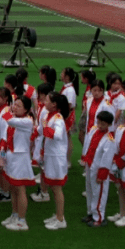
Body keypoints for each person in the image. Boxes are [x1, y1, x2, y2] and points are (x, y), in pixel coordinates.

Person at [2, 96, 35, 231]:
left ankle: (22, 220)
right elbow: (6, 138)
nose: (15, 107)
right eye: (14, 105)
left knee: (20, 189)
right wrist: (2, 156)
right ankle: (15, 215)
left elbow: (7, 118)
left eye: (18, 106)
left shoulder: (27, 121)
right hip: (11, 157)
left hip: (21, 158)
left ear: (26, 109)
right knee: (13, 188)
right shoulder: (16, 121)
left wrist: (7, 109)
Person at [81, 110, 116, 228]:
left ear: (109, 125)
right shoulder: (94, 129)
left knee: (99, 193)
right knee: (90, 190)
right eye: (99, 122)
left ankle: (99, 217)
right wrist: (84, 157)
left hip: (99, 168)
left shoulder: (109, 139)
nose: (100, 125)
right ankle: (91, 212)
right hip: (90, 164)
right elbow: (88, 144)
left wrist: (103, 174)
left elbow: (107, 158)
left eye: (103, 124)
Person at [41, 92, 70, 230]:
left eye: (46, 99)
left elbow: (57, 135)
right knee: (53, 187)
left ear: (54, 104)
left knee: (57, 188)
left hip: (56, 157)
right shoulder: (49, 115)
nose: (44, 101)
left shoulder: (58, 119)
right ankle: (58, 215)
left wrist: (45, 128)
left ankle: (60, 219)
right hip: (50, 155)